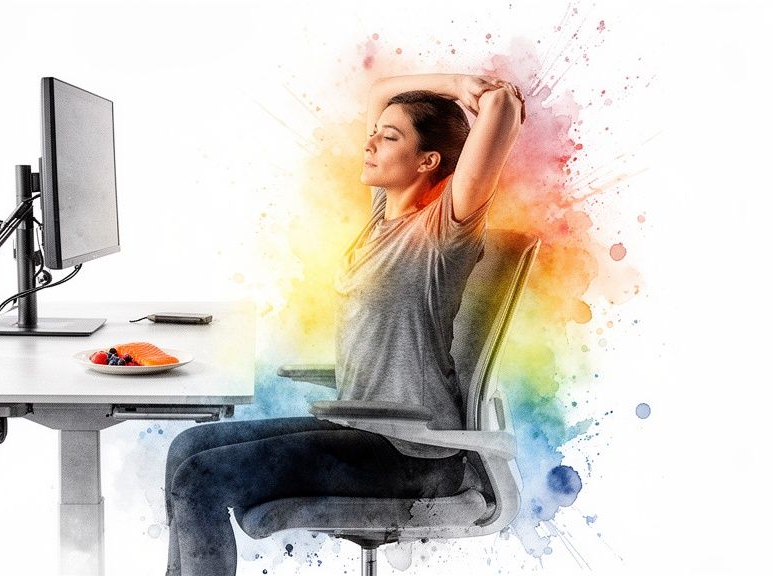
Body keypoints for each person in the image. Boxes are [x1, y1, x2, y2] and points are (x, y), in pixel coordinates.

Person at [164, 73, 525, 576]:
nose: (370, 143)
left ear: (428, 161)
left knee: (200, 476)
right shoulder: (382, 220)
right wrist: (453, 81)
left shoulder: (443, 231)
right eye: (375, 133)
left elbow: (502, 106)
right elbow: (381, 93)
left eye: (389, 138)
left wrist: (478, 89)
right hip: (360, 430)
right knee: (185, 449)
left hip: (409, 454)